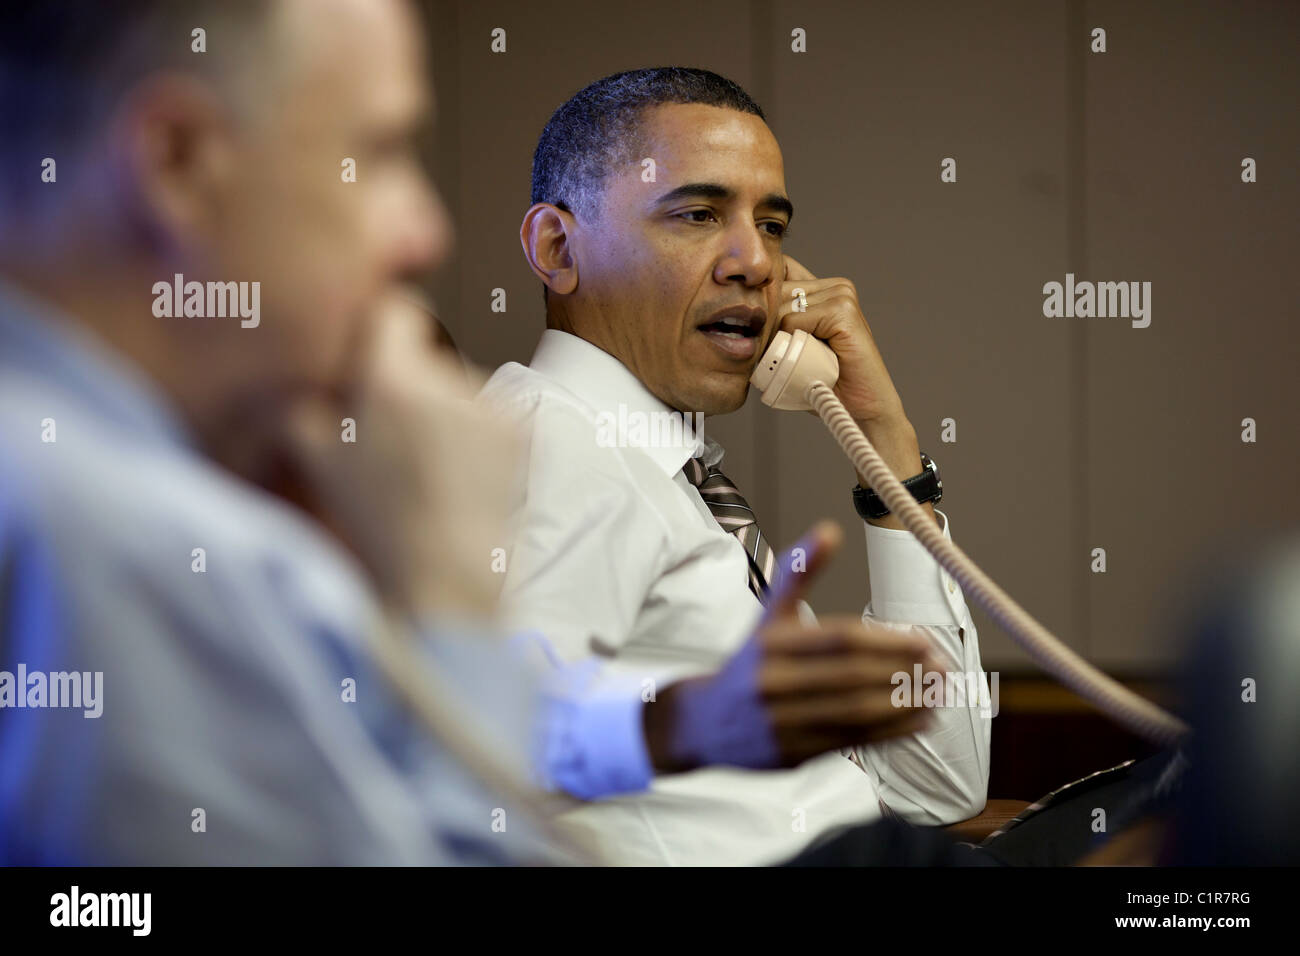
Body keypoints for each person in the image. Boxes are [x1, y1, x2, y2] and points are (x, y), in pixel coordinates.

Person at [479, 67, 991, 865]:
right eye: (697, 214)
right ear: (556, 246)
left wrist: (885, 441)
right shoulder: (549, 447)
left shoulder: (665, 471)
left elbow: (935, 789)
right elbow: (489, 762)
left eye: (774, 225)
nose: (758, 264)